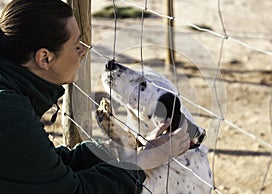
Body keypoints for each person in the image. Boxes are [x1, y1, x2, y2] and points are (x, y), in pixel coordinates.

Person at [0, 0, 190, 193]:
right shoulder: (11, 113)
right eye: (76, 45)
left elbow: (39, 167)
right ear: (45, 58)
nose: (84, 51)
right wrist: (141, 163)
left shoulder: (10, 93)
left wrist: (124, 147)